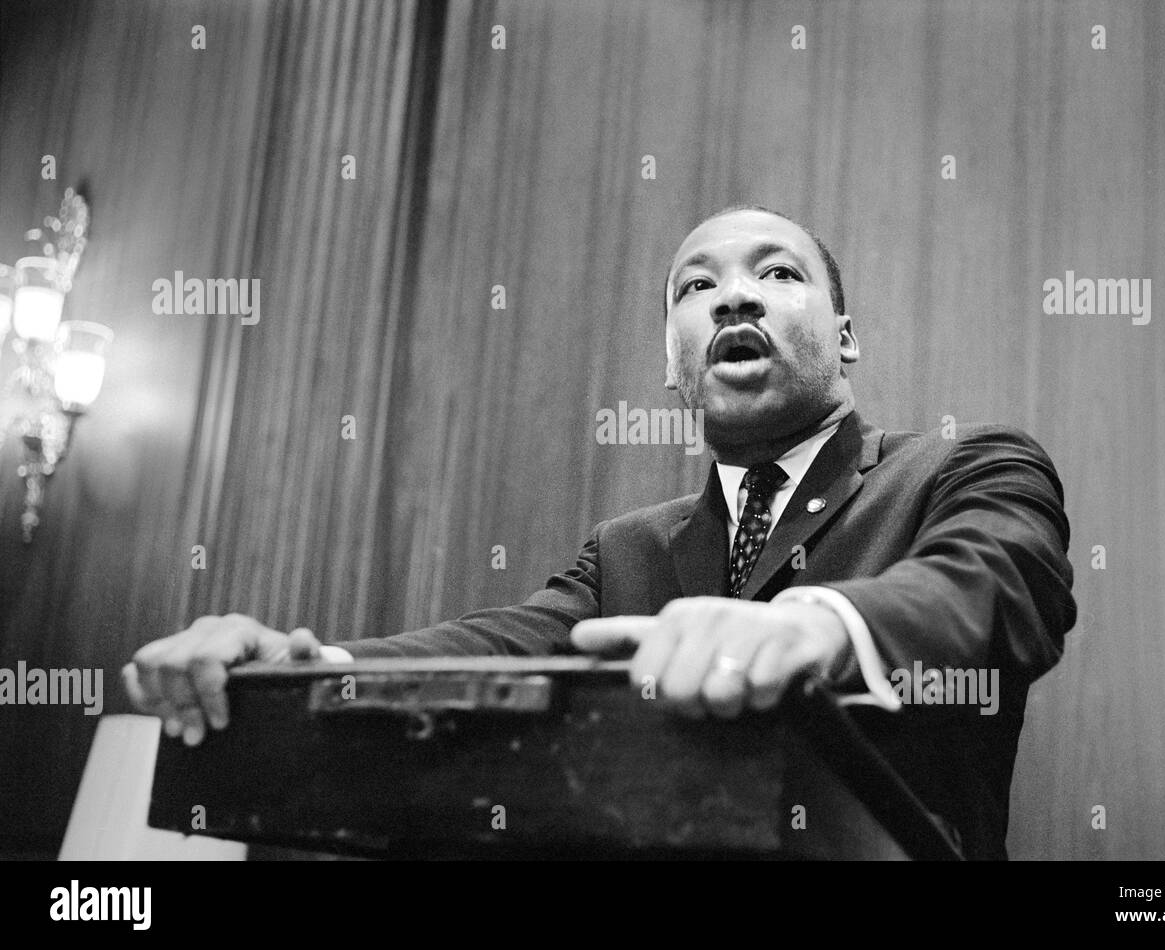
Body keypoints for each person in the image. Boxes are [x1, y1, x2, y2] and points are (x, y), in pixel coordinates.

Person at [124, 205, 1076, 859]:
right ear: (673, 364)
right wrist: (300, 668)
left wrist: (815, 626)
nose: (734, 298)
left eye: (777, 274)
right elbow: (499, 645)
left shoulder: (965, 466)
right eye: (696, 288)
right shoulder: (629, 550)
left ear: (847, 334)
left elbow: (997, 590)